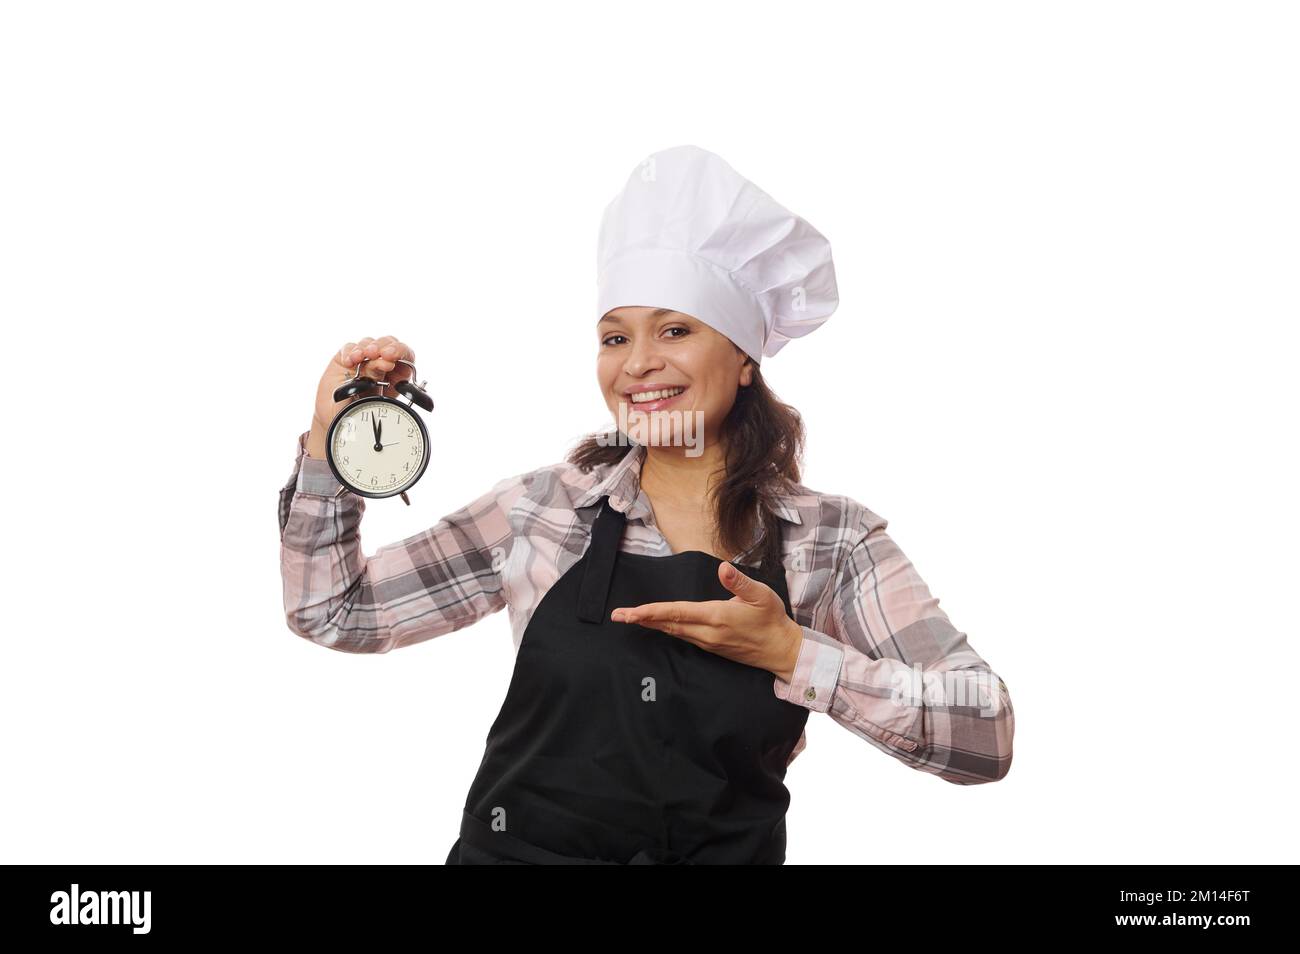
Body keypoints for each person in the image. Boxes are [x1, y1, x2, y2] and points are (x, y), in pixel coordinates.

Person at [277, 145, 1015, 865]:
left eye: (675, 330)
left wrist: (795, 653)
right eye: (614, 337)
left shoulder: (830, 541)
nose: (637, 364)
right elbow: (333, 611)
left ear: (745, 356)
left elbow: (985, 732)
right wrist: (327, 440)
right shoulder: (545, 507)